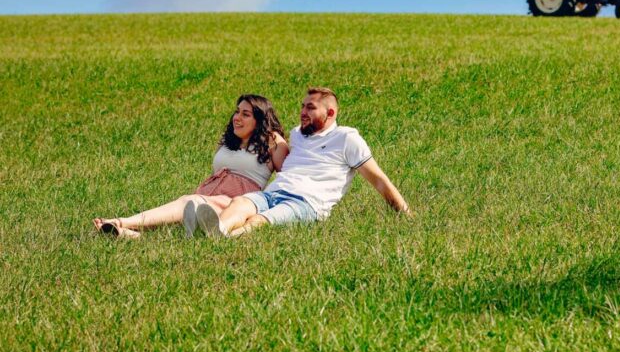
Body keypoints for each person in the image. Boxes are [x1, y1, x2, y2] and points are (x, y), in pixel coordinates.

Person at [191, 87, 410, 239]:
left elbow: (379, 180)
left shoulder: (347, 138)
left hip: (306, 203)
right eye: (303, 106)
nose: (303, 112)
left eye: (311, 108)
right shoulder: (297, 135)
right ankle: (218, 230)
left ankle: (227, 240)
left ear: (331, 113)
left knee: (258, 221)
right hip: (273, 193)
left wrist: (407, 215)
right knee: (240, 203)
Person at [93, 94, 288, 239]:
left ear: (260, 120)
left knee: (188, 202)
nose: (237, 117)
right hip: (209, 194)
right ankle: (127, 234)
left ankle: (122, 221)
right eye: (237, 112)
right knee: (176, 221)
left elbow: (287, 177)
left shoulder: (272, 141)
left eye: (245, 114)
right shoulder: (228, 140)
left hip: (236, 201)